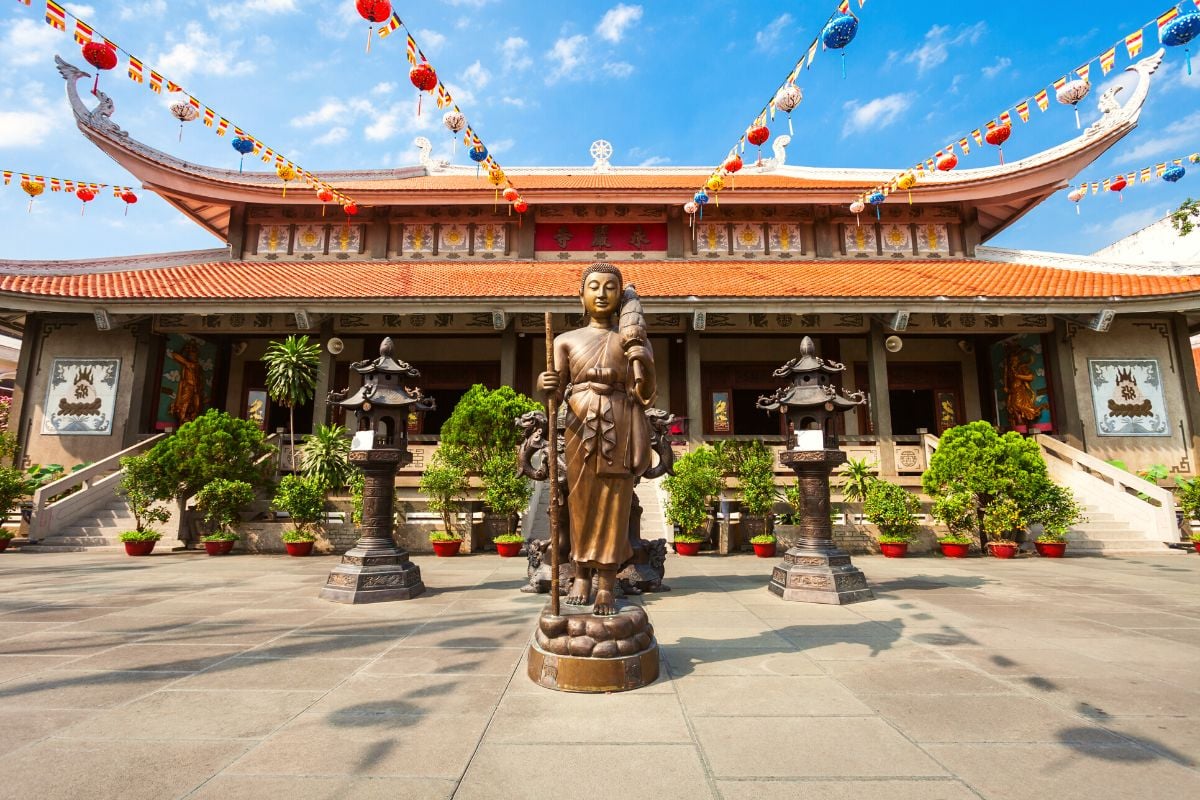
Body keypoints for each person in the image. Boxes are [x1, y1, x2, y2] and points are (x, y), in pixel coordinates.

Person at [538, 263, 656, 615]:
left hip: (619, 419)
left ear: (621, 296)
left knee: (614, 503)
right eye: (594, 286)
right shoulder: (564, 341)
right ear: (582, 295)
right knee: (580, 502)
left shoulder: (631, 339)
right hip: (578, 422)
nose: (602, 293)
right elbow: (555, 395)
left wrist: (644, 362)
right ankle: (581, 574)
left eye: (610, 287)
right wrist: (546, 385)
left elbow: (646, 393)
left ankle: (607, 582)